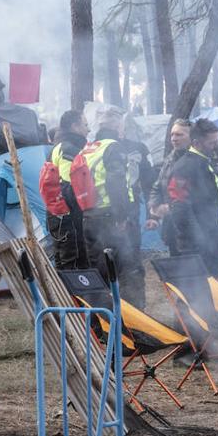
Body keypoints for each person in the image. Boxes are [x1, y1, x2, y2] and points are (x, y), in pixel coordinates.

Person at [168, 118, 218, 295]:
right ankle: (187, 322)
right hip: (195, 244)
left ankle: (209, 320)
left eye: (217, 141)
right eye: (212, 142)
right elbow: (179, 208)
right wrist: (199, 240)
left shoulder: (207, 161)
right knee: (195, 291)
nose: (216, 146)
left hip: (213, 238)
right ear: (196, 143)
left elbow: (217, 200)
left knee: (214, 288)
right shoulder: (184, 166)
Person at [78, 122, 146, 304]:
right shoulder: (113, 147)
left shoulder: (87, 151)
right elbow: (116, 182)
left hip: (90, 217)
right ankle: (134, 325)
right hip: (112, 219)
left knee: (99, 271)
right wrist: (121, 217)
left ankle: (100, 322)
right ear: (116, 135)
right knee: (130, 269)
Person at [43, 109, 90, 270]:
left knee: (67, 262)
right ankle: (73, 295)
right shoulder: (67, 149)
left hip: (60, 216)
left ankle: (69, 294)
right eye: (85, 124)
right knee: (73, 264)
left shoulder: (62, 146)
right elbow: (69, 188)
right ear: (74, 126)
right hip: (67, 218)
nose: (88, 129)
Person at [147, 119, 192, 254]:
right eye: (172, 135)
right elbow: (158, 186)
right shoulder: (170, 159)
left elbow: (200, 196)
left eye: (179, 135)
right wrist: (155, 213)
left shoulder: (198, 160)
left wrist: (170, 207)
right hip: (173, 228)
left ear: (191, 137)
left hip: (194, 230)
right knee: (176, 269)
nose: (174, 139)